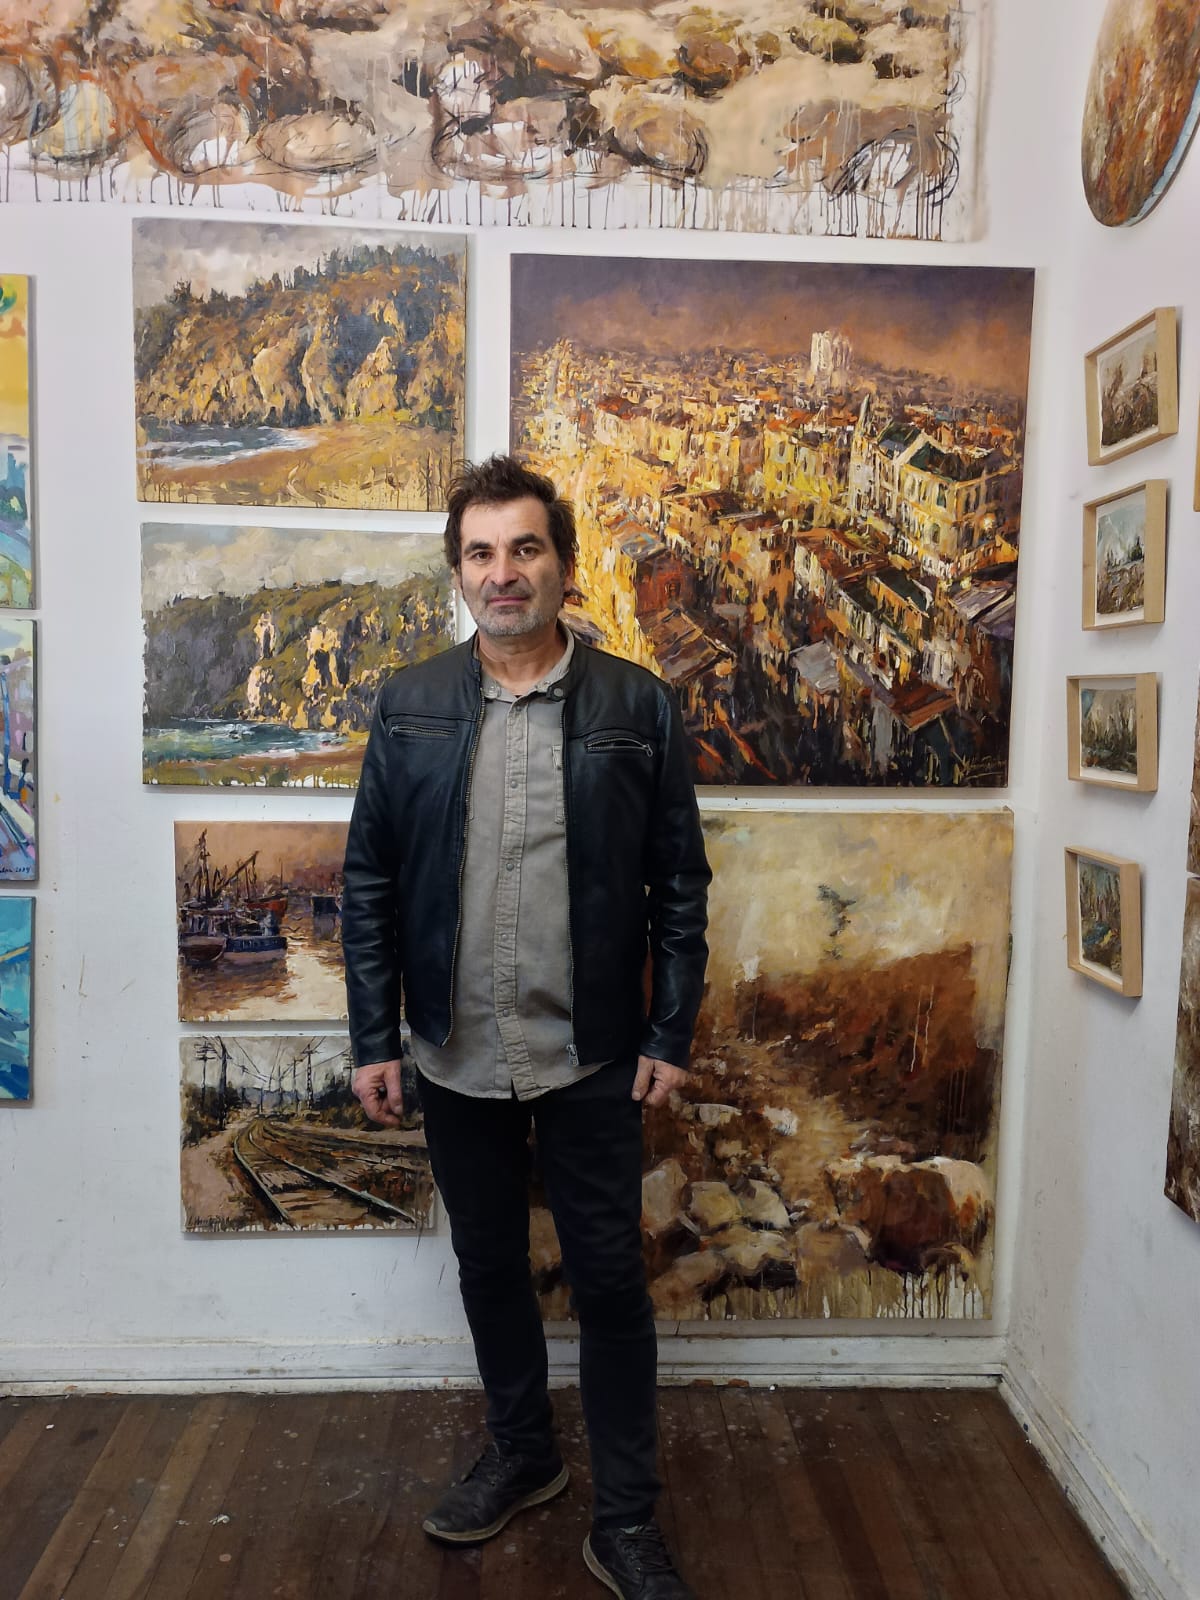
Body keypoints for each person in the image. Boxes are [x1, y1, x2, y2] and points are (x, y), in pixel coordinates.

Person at [342, 454, 710, 1600]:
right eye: (481, 553)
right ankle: (524, 1451)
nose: (503, 573)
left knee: (610, 1284)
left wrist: (670, 1032)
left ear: (562, 563)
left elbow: (679, 884)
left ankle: (628, 1518)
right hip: (454, 1048)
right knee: (491, 1263)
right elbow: (368, 878)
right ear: (459, 572)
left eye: (525, 548)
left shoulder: (635, 705)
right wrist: (372, 1036)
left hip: (592, 1052)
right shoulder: (409, 704)